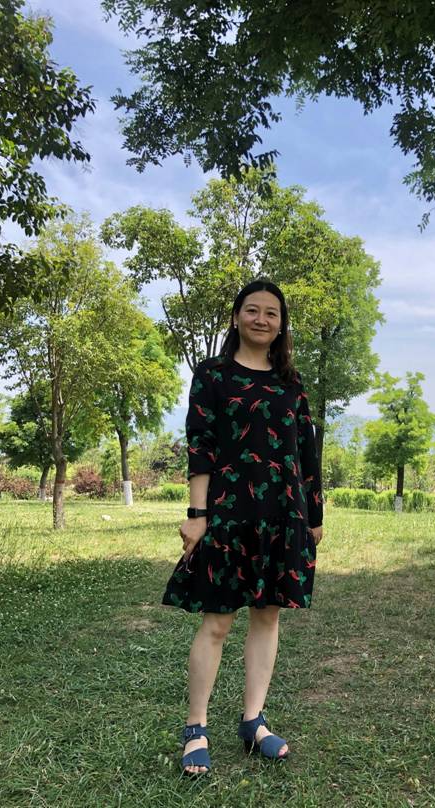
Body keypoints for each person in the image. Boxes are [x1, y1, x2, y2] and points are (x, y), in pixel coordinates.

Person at [162, 279, 324, 776]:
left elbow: (307, 451)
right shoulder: (212, 374)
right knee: (217, 621)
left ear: (281, 324)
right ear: (236, 317)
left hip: (283, 513)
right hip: (228, 514)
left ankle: (253, 720)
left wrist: (314, 516)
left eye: (272, 313)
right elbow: (201, 445)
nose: (261, 319)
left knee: (268, 616)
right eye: (252, 310)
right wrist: (197, 515)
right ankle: (196, 727)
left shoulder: (291, 382)